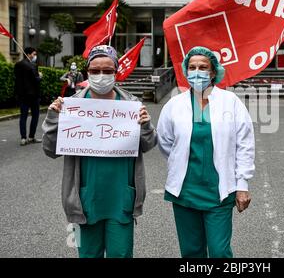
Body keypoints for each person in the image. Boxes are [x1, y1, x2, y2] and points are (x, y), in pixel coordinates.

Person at [42, 45, 158, 258]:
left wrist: (145, 126)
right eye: (95, 71)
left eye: (107, 71)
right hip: (85, 200)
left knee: (121, 254)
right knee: (88, 255)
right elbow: (50, 150)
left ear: (116, 72)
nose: (101, 76)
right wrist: (53, 119)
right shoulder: (72, 106)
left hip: (121, 198)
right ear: (87, 72)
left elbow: (148, 145)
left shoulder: (130, 105)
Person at [157, 46, 255, 258]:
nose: (197, 71)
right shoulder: (174, 105)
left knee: (219, 252)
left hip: (219, 191)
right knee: (191, 252)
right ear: (186, 71)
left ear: (213, 72)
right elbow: (165, 142)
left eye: (203, 67)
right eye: (192, 67)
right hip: (185, 191)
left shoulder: (231, 102)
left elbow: (245, 144)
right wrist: (179, 162)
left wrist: (242, 185)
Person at [14, 47, 42, 146]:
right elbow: (36, 80)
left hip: (22, 95)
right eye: (34, 54)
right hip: (33, 96)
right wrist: (40, 76)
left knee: (23, 116)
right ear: (29, 54)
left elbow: (17, 80)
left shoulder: (17, 65)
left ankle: (23, 138)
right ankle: (31, 137)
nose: (35, 56)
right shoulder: (33, 65)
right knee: (35, 116)